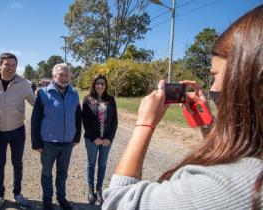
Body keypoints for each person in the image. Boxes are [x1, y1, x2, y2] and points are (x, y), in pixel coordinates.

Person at [103, 5, 263, 210]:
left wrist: (144, 123)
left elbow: (118, 202)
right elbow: (234, 151)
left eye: (214, 75)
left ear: (246, 78)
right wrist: (206, 122)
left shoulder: (225, 187)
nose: (212, 87)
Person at [0, 53, 36, 210]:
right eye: (7, 64)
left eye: (13, 65)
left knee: (17, 164)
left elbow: (35, 103)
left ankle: (17, 194)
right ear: (0, 65)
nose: (10, 68)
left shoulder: (24, 83)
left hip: (17, 131)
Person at [31, 63, 82, 210]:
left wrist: (76, 138)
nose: (64, 77)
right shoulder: (43, 93)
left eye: (67, 75)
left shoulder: (74, 94)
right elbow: (35, 120)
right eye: (61, 74)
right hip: (48, 143)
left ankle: (61, 197)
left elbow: (78, 118)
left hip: (67, 143)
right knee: (47, 173)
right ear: (54, 76)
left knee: (63, 172)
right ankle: (47, 201)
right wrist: (37, 144)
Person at [82, 75, 118, 205]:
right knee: (91, 164)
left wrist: (109, 138)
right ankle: (91, 189)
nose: (100, 86)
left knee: (102, 164)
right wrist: (94, 138)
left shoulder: (111, 100)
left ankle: (99, 189)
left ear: (105, 85)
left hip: (106, 141)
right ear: (94, 85)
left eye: (102, 83)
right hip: (92, 140)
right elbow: (85, 121)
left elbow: (115, 121)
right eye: (97, 83)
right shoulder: (87, 99)